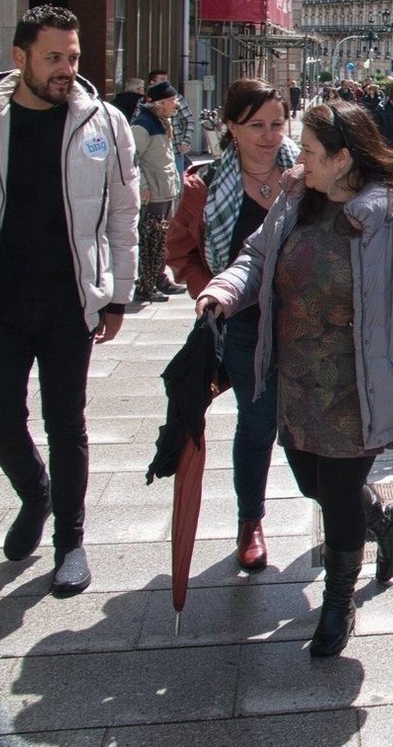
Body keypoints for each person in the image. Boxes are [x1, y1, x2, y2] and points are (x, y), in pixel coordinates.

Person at [196, 101, 393, 656]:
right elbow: (255, 258)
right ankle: (385, 519)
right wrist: (223, 290)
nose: (298, 158)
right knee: (312, 484)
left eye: (310, 151)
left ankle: (338, 603)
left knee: (335, 495)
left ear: (342, 159)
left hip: (360, 387)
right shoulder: (295, 203)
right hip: (296, 381)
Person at [0, 5, 139, 597]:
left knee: (67, 425)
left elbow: (123, 215)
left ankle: (70, 543)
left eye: (74, 58)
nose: (65, 69)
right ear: (20, 57)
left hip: (68, 303)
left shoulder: (103, 122)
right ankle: (37, 495)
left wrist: (118, 298)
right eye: (53, 57)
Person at [166, 79, 297, 573]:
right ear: (231, 128)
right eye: (255, 125)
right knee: (258, 421)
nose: (268, 136)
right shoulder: (205, 183)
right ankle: (250, 522)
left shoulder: (309, 174)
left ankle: (346, 512)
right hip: (244, 325)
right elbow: (180, 252)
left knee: (320, 422)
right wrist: (211, 292)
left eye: (277, 124)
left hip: (308, 321)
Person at [132, 80, 183, 304]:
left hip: (164, 190)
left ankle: (159, 279)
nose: (176, 105)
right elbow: (131, 159)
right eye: (172, 101)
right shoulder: (143, 125)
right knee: (150, 239)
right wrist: (142, 187)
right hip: (152, 193)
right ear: (159, 103)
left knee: (161, 239)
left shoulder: (162, 122)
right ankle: (146, 284)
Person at [147, 69, 192, 176]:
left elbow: (189, 120)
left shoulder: (177, 98)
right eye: (162, 79)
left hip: (175, 149)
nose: (166, 82)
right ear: (152, 82)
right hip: (153, 152)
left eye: (166, 79)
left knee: (177, 187)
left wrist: (186, 142)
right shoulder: (144, 102)